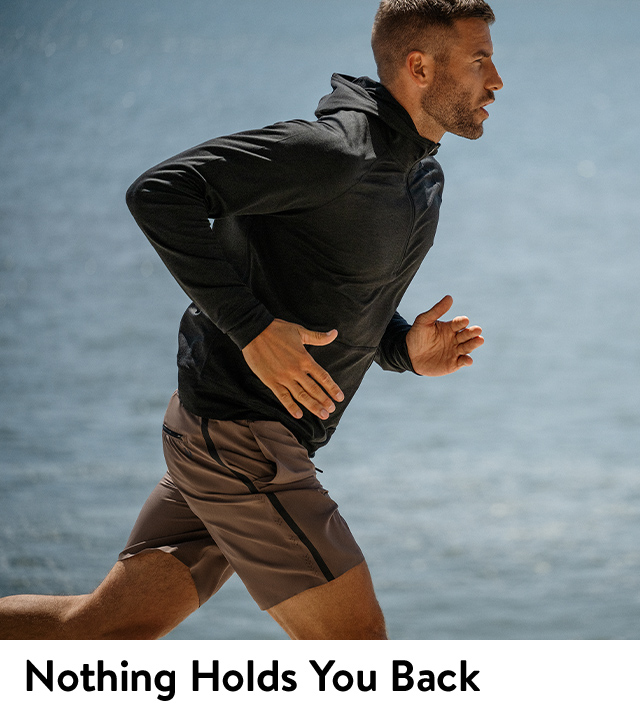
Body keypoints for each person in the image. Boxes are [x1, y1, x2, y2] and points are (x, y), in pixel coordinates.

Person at [0, 0, 502, 640]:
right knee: (358, 656)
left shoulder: (420, 175)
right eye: (480, 60)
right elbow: (160, 192)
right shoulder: (329, 154)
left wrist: (405, 347)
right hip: (240, 436)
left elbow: (338, 291)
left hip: (235, 438)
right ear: (419, 66)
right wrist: (252, 329)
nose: (497, 81)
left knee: (101, 630)